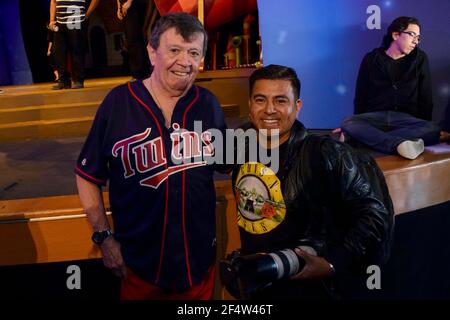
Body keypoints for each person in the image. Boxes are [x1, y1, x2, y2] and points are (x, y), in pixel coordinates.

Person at [75, 12, 228, 300]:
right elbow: (86, 175)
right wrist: (104, 237)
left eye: (194, 52)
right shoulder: (118, 103)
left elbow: (229, 164)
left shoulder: (208, 104)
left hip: (197, 269)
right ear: (151, 52)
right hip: (138, 268)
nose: (185, 61)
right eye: (174, 50)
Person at [229, 64, 394, 299]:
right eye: (260, 100)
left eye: (280, 101)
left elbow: (375, 215)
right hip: (260, 285)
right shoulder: (240, 147)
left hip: (311, 290)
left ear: (297, 107)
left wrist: (332, 264)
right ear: (250, 105)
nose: (269, 110)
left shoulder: (325, 154)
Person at [339, 16, 445, 159]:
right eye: (412, 35)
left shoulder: (419, 58)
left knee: (433, 129)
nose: (416, 41)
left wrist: (423, 126)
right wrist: (359, 121)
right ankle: (399, 144)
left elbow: (425, 97)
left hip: (406, 121)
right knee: (348, 122)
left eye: (418, 37)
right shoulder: (371, 59)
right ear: (395, 35)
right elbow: (361, 94)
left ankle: (364, 140)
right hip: (376, 118)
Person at [49, 0, 99, 90]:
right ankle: (63, 81)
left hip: (75, 17)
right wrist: (52, 20)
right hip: (59, 21)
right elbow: (53, 2)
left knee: (77, 50)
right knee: (58, 51)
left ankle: (78, 80)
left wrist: (87, 15)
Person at [117, 0, 151, 79]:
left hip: (134, 4)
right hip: (124, 5)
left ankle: (139, 73)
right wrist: (119, 7)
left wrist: (129, 1)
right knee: (130, 39)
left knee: (134, 38)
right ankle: (141, 72)